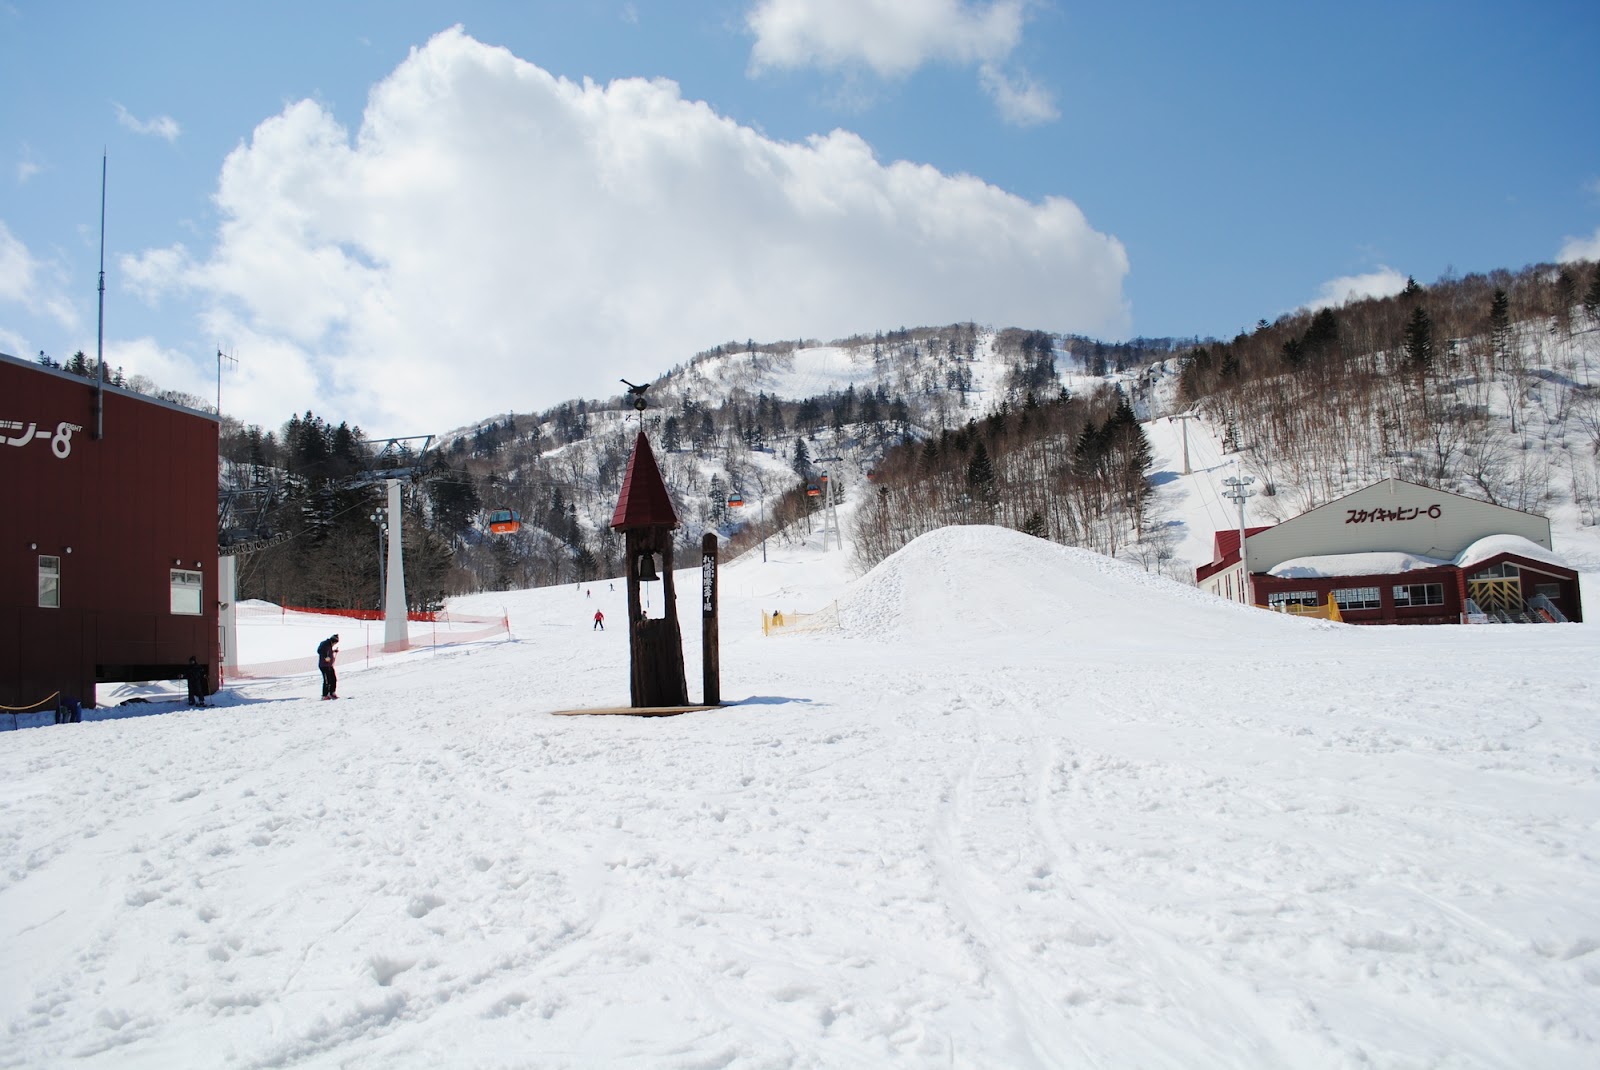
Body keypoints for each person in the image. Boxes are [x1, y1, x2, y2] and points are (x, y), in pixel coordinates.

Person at [317, 634, 339, 699]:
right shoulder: (324, 644)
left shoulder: (329, 645)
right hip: (323, 665)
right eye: (335, 643)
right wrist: (325, 657)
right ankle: (324, 695)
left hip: (329, 665)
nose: (334, 644)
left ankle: (332, 692)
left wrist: (333, 651)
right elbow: (319, 651)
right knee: (327, 680)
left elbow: (328, 651)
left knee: (333, 679)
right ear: (333, 641)